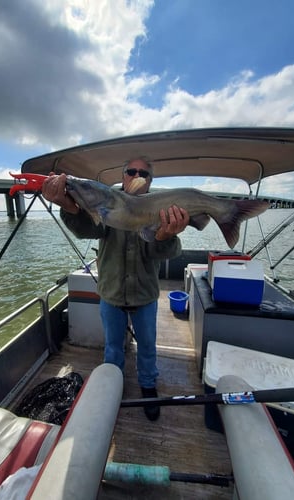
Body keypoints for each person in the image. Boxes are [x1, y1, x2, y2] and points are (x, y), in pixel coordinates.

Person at [42, 158, 189, 421]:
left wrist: (165, 235)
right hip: (111, 292)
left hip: (144, 294)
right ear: (122, 176)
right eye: (131, 171)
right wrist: (68, 206)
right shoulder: (104, 204)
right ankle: (112, 385)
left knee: (147, 346)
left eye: (143, 172)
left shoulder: (162, 208)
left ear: (151, 181)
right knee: (112, 347)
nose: (136, 174)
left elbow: (169, 252)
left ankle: (148, 385)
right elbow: (86, 230)